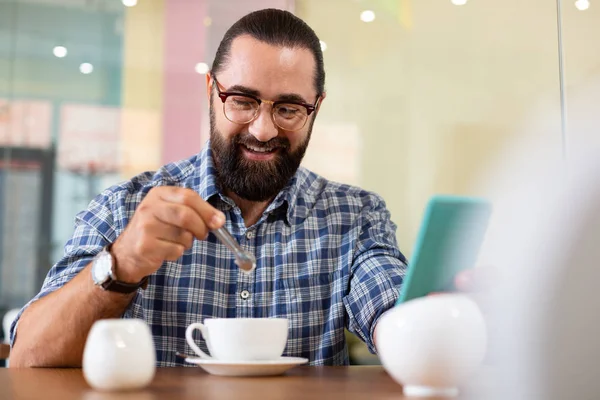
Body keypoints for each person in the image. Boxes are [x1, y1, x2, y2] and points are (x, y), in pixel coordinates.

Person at [9, 8, 409, 368]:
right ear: (210, 90)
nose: (263, 129)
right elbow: (28, 357)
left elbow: (391, 305)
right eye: (242, 100)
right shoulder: (124, 208)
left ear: (315, 108)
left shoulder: (355, 217)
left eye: (288, 109)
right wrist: (122, 262)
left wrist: (425, 325)